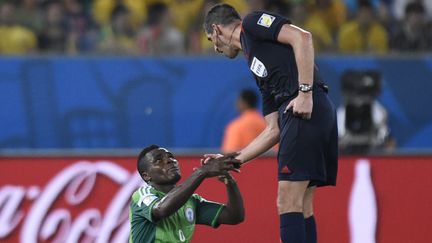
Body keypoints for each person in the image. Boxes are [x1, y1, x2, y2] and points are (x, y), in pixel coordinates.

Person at [204, 4, 338, 243]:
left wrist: (305, 93)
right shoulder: (256, 64)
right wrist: (231, 160)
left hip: (306, 108)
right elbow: (272, 130)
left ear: (217, 29)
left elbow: (302, 37)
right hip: (304, 115)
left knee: (286, 200)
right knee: (302, 204)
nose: (215, 48)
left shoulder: (252, 23)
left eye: (211, 39)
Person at [130, 145, 244, 243]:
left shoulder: (191, 201)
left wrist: (229, 181)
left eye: (171, 156)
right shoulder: (141, 194)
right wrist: (202, 171)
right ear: (146, 176)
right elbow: (161, 210)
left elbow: (234, 216)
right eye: (158, 160)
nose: (170, 160)